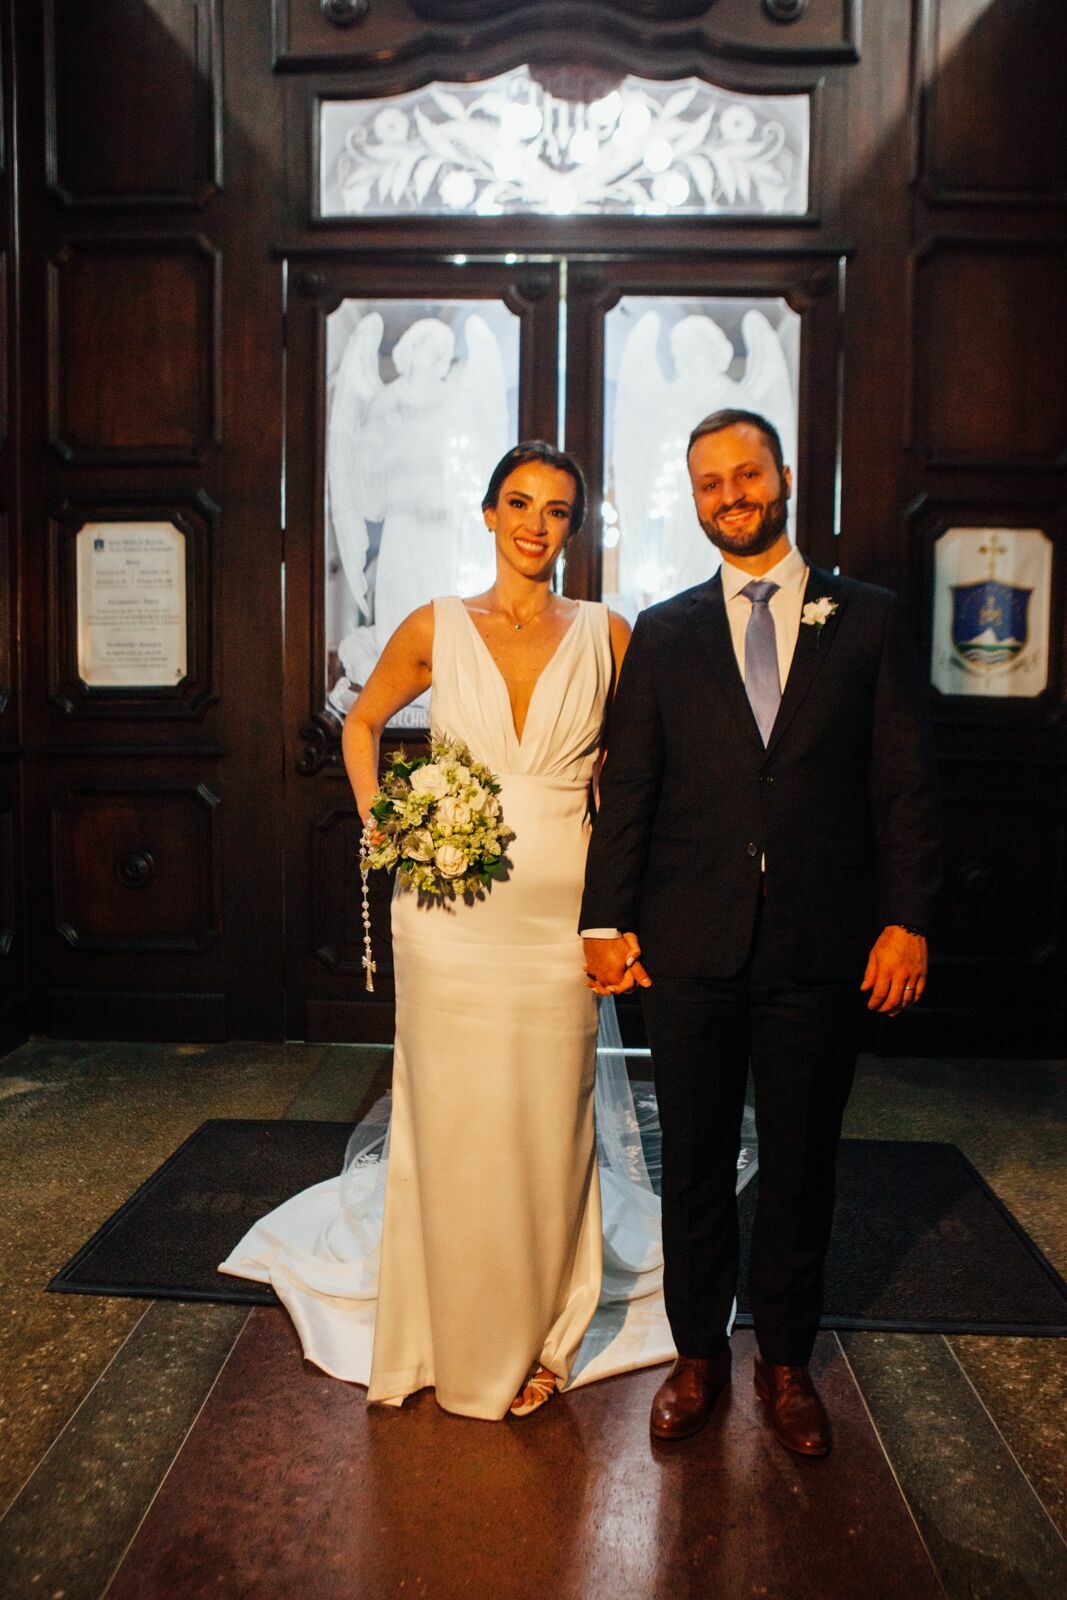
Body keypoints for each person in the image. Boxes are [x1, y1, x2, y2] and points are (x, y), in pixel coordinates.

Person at [221, 441, 667, 1420]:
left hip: (559, 914)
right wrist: (385, 821)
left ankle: (548, 1327)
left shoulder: (608, 634)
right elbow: (359, 724)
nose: (535, 524)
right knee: (451, 1113)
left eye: (556, 509)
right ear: (487, 512)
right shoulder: (435, 625)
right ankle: (435, 1319)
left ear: (573, 528)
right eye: (519, 502)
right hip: (447, 915)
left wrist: (620, 909)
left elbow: (629, 780)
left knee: (548, 1118)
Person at [581, 408, 941, 1455]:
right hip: (688, 942)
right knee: (691, 1159)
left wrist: (906, 920)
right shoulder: (664, 631)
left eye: (745, 474)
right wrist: (603, 919)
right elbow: (630, 789)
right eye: (709, 483)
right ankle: (697, 1354)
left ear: (781, 476)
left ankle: (785, 1362)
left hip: (822, 947)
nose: (729, 495)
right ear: (693, 499)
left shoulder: (867, 618)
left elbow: (905, 787)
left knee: (799, 1161)